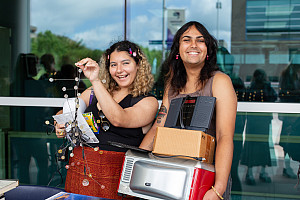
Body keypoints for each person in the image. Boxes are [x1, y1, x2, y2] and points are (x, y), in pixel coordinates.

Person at [139, 21, 237, 200]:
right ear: (178, 49)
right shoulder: (173, 84)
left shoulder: (220, 81)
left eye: (200, 40)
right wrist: (137, 163)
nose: (193, 45)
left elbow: (225, 137)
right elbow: (157, 129)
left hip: (206, 176)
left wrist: (218, 188)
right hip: (171, 173)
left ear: (207, 49)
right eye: (187, 40)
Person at [55, 40, 158, 199]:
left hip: (115, 177)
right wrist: (60, 122)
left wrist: (96, 80)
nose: (119, 70)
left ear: (138, 65)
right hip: (80, 169)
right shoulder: (95, 91)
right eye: (113, 65)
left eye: (125, 63)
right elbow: (69, 108)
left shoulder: (148, 101)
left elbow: (118, 119)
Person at [240, 69, 277, 185]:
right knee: (261, 145)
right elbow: (273, 97)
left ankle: (252, 173)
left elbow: (272, 97)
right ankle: (259, 172)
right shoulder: (260, 87)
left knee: (255, 145)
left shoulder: (253, 87)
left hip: (256, 121)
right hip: (260, 121)